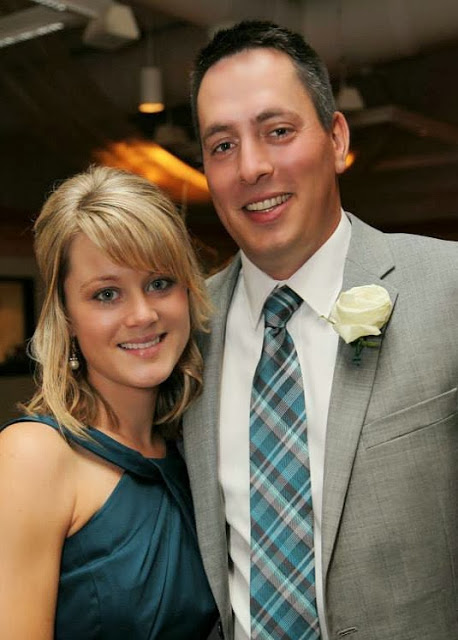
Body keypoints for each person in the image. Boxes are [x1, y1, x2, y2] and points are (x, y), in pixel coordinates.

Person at [183, 20, 458, 640]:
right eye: (221, 146)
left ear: (336, 139)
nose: (251, 167)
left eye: (278, 132)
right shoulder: (184, 333)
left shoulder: (449, 287)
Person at [0, 165, 218, 639]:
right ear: (67, 317)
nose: (142, 314)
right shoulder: (34, 455)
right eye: (106, 294)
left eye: (160, 282)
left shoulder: (192, 449)